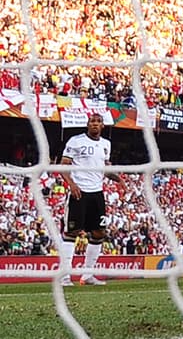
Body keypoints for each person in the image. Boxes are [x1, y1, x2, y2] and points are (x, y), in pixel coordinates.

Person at [58, 113, 120, 286]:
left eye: (98, 122)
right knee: (72, 232)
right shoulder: (75, 141)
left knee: (99, 233)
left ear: (102, 126)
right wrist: (71, 184)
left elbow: (105, 169)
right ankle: (64, 276)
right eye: (92, 121)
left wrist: (119, 180)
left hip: (97, 194)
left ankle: (87, 275)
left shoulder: (106, 144)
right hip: (79, 191)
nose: (95, 124)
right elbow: (63, 165)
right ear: (87, 124)